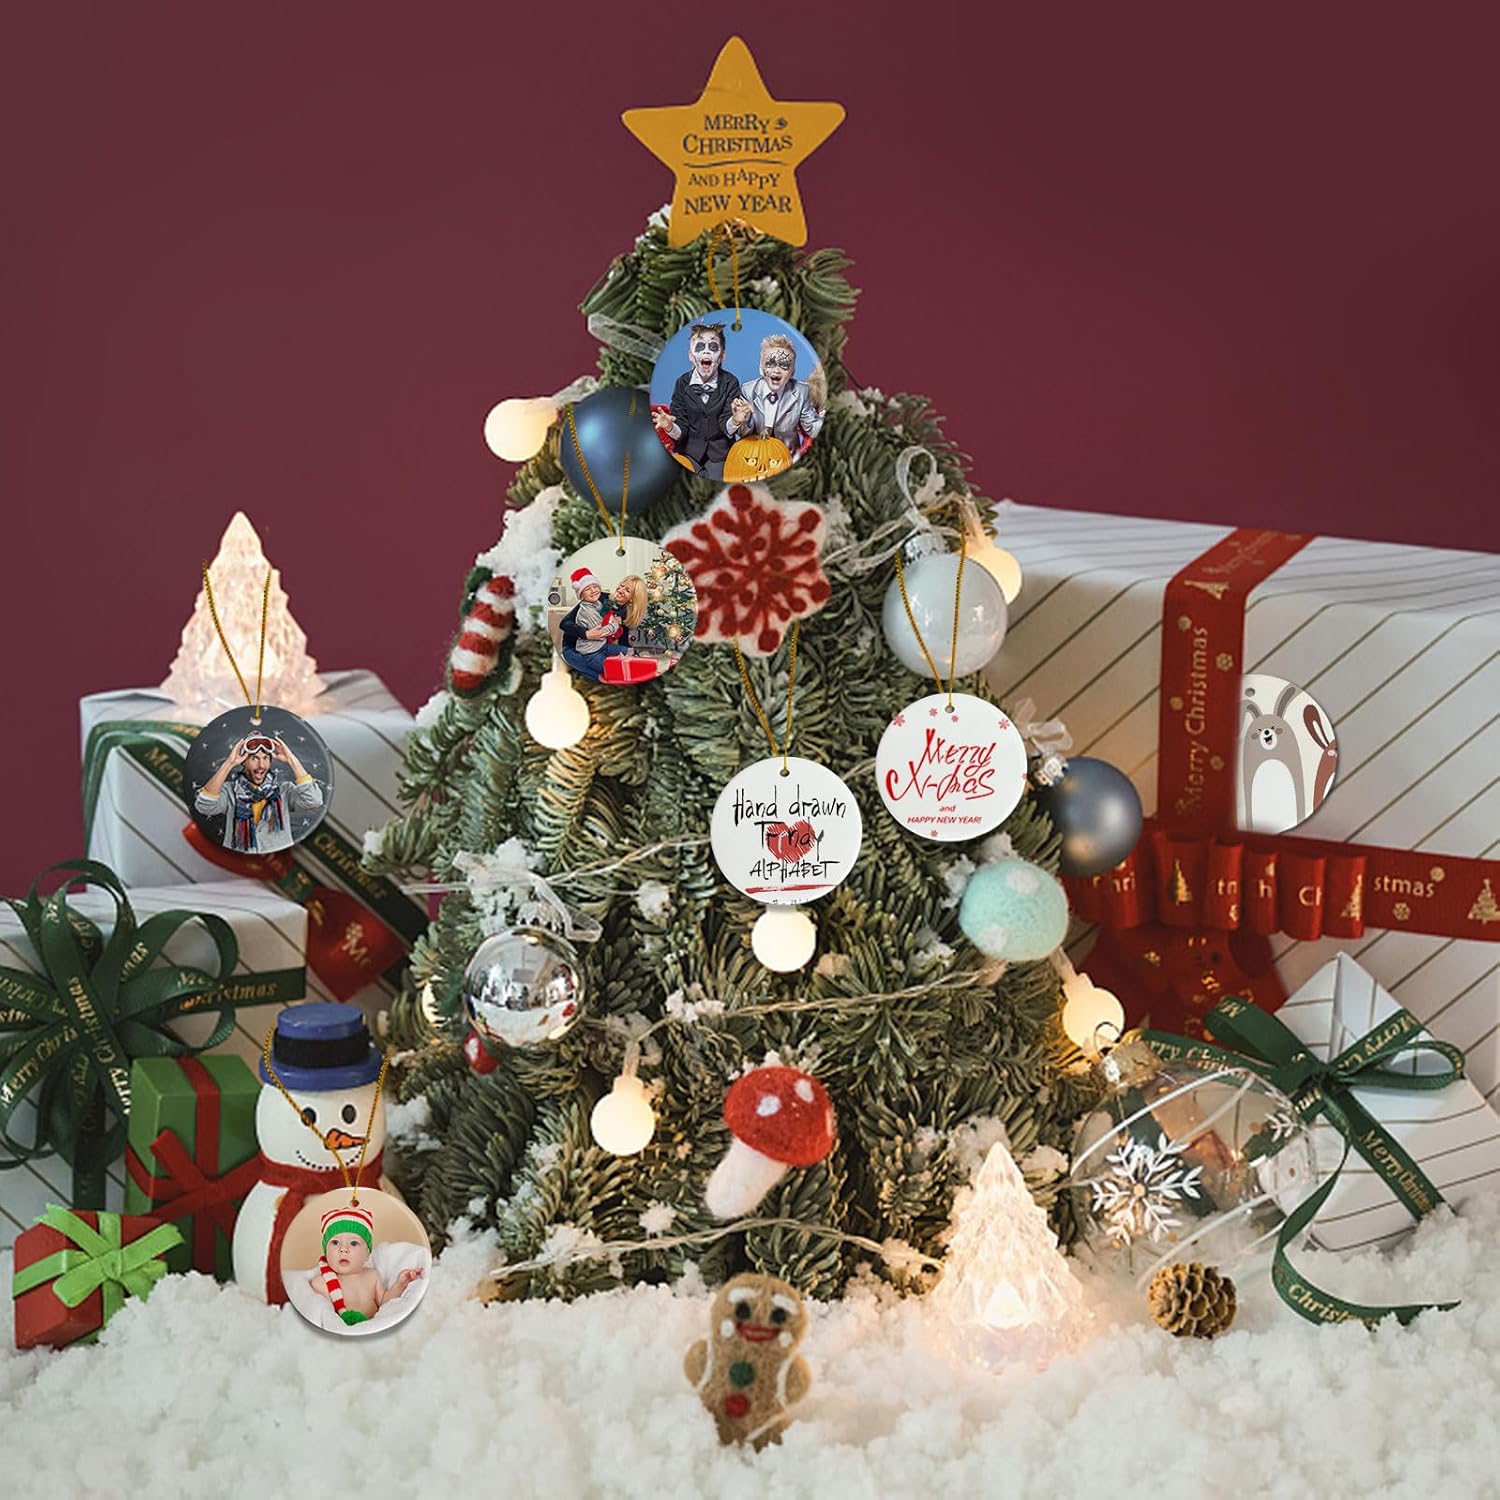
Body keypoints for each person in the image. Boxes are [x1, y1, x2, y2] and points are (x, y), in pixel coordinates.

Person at [194, 729, 323, 853]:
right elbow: (205, 806)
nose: (261, 765)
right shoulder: (229, 791)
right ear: (243, 762)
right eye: (254, 758)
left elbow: (314, 800)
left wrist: (291, 759)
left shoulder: (284, 791)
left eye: (265, 758)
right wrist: (229, 763)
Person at [309, 1203, 423, 1327]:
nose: (343, 1249)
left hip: (375, 1327)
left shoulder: (372, 1276)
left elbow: (385, 1304)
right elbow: (325, 1317)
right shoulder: (321, 1283)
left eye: (353, 1243)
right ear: (325, 1251)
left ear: (367, 1254)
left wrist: (400, 1284)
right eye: (335, 1242)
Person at [654, 321, 741, 479]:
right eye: (700, 346)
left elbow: (726, 422)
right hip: (688, 454)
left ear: (722, 356)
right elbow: (681, 424)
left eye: (713, 347)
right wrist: (669, 426)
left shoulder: (730, 382)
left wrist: (735, 420)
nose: (706, 351)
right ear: (691, 356)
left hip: (720, 455)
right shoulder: (682, 383)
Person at [726, 333, 826, 457]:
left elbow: (811, 426)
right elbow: (743, 432)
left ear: (792, 372)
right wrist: (736, 421)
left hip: (786, 456)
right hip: (753, 456)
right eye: (770, 364)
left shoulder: (801, 391)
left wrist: (825, 422)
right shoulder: (748, 390)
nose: (777, 370)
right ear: (761, 368)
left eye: (784, 366)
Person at [558, 566, 626, 682]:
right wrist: (586, 634)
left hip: (599, 645)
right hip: (574, 648)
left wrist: (617, 619)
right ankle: (598, 676)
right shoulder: (590, 603)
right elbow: (564, 623)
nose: (621, 592)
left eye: (595, 586)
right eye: (620, 588)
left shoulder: (611, 602)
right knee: (599, 670)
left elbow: (608, 615)